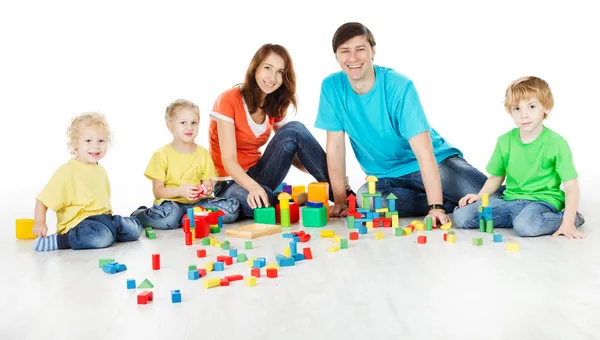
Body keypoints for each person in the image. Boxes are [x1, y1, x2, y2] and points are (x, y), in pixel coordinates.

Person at [315, 22, 489, 226]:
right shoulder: (331, 87)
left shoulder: (398, 85)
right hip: (387, 177)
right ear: (336, 56)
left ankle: (440, 199)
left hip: (436, 162)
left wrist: (435, 207)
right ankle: (450, 202)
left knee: (489, 198)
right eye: (345, 51)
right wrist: (340, 201)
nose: (353, 58)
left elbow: (424, 151)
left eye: (360, 49)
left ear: (373, 51)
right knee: (366, 200)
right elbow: (335, 147)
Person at [209, 43, 351, 218]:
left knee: (295, 130)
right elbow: (228, 160)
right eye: (268, 68)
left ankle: (343, 199)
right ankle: (294, 199)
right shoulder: (228, 100)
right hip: (230, 183)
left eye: (280, 72)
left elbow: (293, 146)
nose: (272, 77)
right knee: (263, 205)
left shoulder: (273, 104)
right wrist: (253, 188)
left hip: (259, 175)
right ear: (255, 68)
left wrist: (331, 176)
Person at [452, 76, 585, 238]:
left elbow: (572, 186)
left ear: (546, 108)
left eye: (532, 107)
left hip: (541, 201)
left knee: (525, 227)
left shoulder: (556, 143)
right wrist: (479, 197)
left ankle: (568, 218)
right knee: (462, 216)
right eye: (517, 109)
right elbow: (496, 177)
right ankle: (517, 218)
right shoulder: (505, 140)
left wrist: (568, 221)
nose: (524, 115)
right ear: (510, 112)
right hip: (509, 201)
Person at [31, 112, 142, 251]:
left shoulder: (101, 170)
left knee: (134, 230)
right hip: (79, 223)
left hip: (105, 219)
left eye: (101, 141)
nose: (95, 146)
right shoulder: (67, 171)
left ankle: (114, 230)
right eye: (88, 141)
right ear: (75, 143)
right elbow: (42, 200)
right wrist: (40, 222)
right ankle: (60, 241)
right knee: (101, 237)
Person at [131, 99, 240, 229]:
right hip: (172, 204)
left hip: (198, 203)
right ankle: (141, 215)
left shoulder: (203, 153)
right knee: (169, 218)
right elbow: (158, 192)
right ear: (170, 125)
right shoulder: (161, 154)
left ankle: (187, 218)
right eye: (183, 123)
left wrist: (205, 190)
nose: (189, 127)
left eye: (194, 123)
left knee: (231, 211)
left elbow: (207, 185)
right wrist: (181, 191)